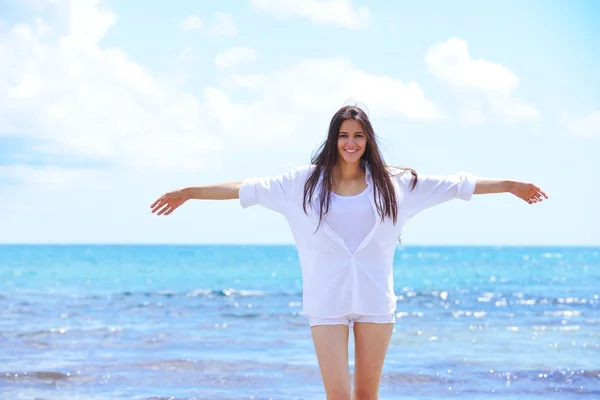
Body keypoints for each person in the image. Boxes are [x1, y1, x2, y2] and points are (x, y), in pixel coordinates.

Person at [150, 105, 548, 400]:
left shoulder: (398, 184)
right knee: (338, 397)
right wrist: (189, 192)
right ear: (333, 140)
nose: (351, 143)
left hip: (376, 300)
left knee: (367, 395)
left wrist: (511, 184)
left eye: (358, 135)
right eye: (344, 135)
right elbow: (244, 188)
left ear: (368, 140)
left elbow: (458, 184)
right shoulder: (302, 183)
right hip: (326, 302)